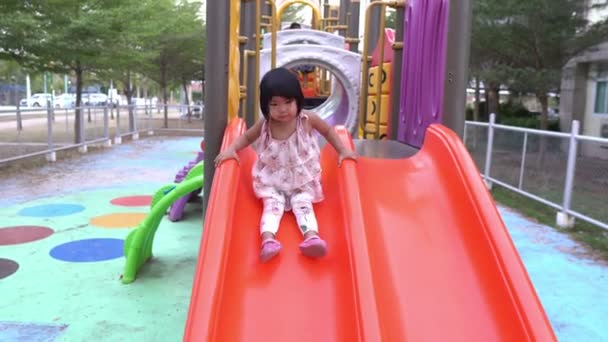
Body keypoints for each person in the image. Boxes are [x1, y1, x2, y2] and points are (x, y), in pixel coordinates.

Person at [214, 68, 357, 262]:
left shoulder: (306, 120)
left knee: (303, 204)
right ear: (266, 107)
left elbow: (328, 131)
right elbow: (247, 137)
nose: (282, 109)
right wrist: (231, 149)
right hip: (273, 181)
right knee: (272, 207)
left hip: (301, 181)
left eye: (288, 102)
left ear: (298, 100)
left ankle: (311, 238)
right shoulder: (266, 125)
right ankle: (268, 241)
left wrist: (343, 150)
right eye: (274, 104)